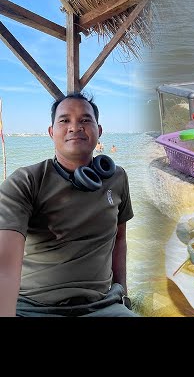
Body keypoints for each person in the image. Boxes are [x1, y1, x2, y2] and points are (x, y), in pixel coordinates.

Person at [0, 92, 137, 317]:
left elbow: (119, 239)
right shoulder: (25, 181)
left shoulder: (118, 178)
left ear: (99, 131)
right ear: (51, 132)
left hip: (103, 305)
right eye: (65, 120)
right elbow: (5, 264)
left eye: (85, 120)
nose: (75, 127)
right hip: (32, 308)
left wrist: (123, 293)